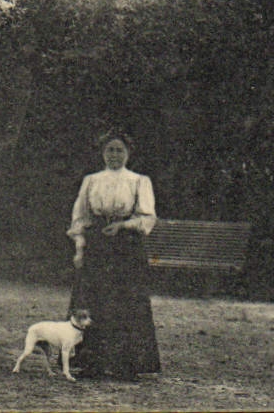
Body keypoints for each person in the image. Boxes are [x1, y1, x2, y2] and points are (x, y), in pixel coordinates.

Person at [66, 132, 161, 380]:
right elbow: (80, 217)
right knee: (94, 299)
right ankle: (91, 363)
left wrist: (123, 226)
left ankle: (126, 365)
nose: (114, 155)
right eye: (110, 150)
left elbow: (147, 217)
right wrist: (80, 247)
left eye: (120, 150)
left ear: (128, 154)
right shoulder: (91, 180)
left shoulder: (139, 181)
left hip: (126, 245)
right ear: (103, 153)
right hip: (97, 243)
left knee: (126, 301)